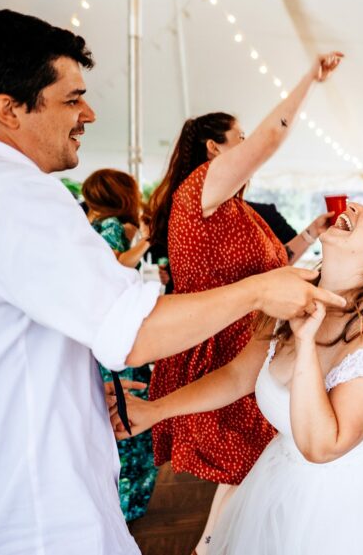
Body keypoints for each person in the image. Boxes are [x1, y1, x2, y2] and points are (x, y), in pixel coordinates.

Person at [0, 7, 344, 555]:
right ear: (9, 109)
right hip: (39, 522)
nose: (88, 113)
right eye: (71, 98)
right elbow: (135, 331)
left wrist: (80, 384)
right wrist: (262, 289)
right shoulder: (13, 197)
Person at [108, 204, 363, 554]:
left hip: (360, 508)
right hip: (281, 482)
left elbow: (323, 446)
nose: (352, 204)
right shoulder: (290, 299)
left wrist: (304, 343)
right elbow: (238, 375)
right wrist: (157, 410)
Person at [146, 52, 343, 553]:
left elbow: (270, 267)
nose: (248, 148)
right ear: (215, 148)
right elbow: (270, 137)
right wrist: (309, 80)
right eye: (239, 140)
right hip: (223, 351)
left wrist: (312, 234)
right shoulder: (202, 189)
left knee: (249, 469)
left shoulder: (231, 208)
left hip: (251, 346)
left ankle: (214, 547)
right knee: (253, 466)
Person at [82, 168, 158, 521]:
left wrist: (142, 245)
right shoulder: (111, 226)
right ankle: (126, 500)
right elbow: (115, 265)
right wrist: (145, 241)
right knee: (126, 406)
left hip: (104, 332)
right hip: (117, 332)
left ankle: (119, 501)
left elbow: (113, 266)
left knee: (118, 405)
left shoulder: (101, 225)